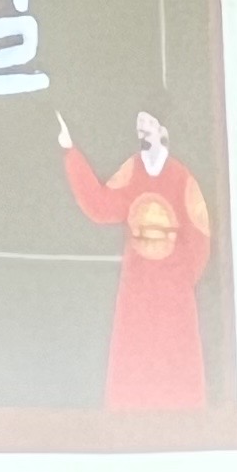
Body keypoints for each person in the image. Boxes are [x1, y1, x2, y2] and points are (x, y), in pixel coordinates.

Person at [55, 108, 212, 411]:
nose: (143, 128)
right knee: (134, 354)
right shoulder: (132, 172)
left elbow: (199, 237)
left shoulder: (182, 178)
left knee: (175, 356)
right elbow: (100, 205)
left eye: (149, 122)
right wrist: (70, 150)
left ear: (163, 130)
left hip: (173, 289)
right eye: (140, 123)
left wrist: (178, 278)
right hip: (137, 286)